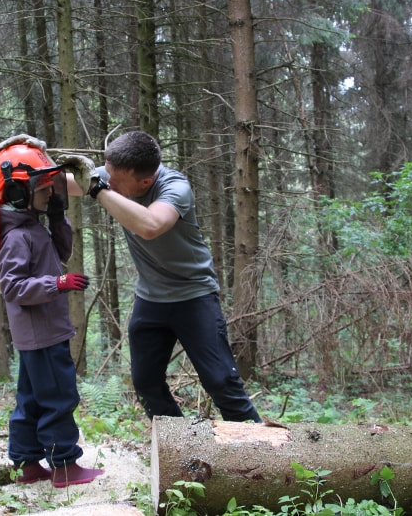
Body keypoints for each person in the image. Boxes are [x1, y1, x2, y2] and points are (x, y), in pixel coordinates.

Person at [58, 130, 261, 422]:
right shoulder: (112, 175)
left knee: (221, 382)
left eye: (115, 180)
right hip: (150, 299)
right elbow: (62, 184)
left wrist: (98, 188)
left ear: (145, 181)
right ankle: (181, 450)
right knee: (146, 384)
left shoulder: (175, 188)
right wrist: (27, 164)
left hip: (194, 297)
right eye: (107, 174)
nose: (108, 180)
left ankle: (258, 455)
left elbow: (151, 225)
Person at [0, 135, 104, 487]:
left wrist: (57, 215)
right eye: (44, 188)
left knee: (32, 398)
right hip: (42, 333)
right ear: (19, 193)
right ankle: (65, 465)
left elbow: (60, 254)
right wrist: (58, 284)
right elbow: (14, 287)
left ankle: (26, 463)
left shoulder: (31, 226)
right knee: (59, 397)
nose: (51, 191)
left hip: (38, 332)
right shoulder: (18, 237)